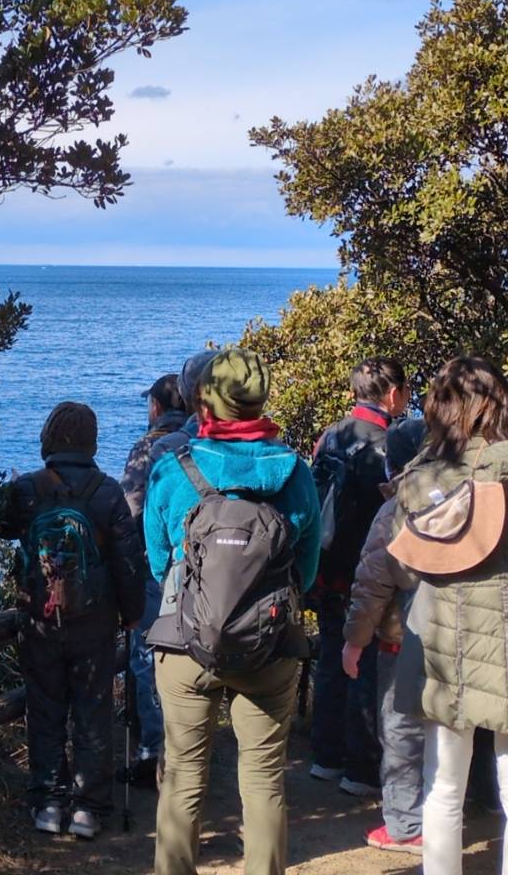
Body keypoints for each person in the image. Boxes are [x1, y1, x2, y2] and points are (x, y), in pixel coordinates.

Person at [141, 348, 320, 875]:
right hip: (271, 643)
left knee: (183, 775)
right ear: (261, 400)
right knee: (263, 779)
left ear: (203, 400)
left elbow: (158, 562)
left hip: (185, 643)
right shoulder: (295, 474)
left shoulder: (172, 469)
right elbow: (306, 570)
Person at [388, 356, 508, 875]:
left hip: (444, 643)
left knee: (442, 788)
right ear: (501, 403)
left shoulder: (422, 479)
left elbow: (403, 566)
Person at [0, 401, 146, 840]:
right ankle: (88, 809)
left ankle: (48, 802)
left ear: (49, 436)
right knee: (92, 710)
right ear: (91, 441)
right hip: (94, 620)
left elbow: (4, 528)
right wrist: (132, 614)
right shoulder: (107, 492)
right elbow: (127, 562)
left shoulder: (28, 488)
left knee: (44, 708)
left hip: (39, 618)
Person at [310, 358, 409, 794]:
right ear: (393, 394)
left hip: (327, 565)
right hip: (368, 570)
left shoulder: (331, 436)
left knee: (332, 658)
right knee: (366, 663)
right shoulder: (392, 444)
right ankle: (361, 768)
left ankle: (325, 757)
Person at [341, 416, 427, 854]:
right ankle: (455, 807)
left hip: (401, 636)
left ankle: (406, 825)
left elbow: (372, 583)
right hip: (454, 636)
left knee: (400, 732)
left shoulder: (395, 508)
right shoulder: (462, 496)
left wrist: (355, 640)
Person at [119, 372, 189, 785]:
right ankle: (189, 747)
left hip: (154, 568)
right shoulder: (203, 443)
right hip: (201, 568)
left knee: (147, 658)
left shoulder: (149, 448)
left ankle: (152, 751)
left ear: (157, 407)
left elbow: (130, 510)